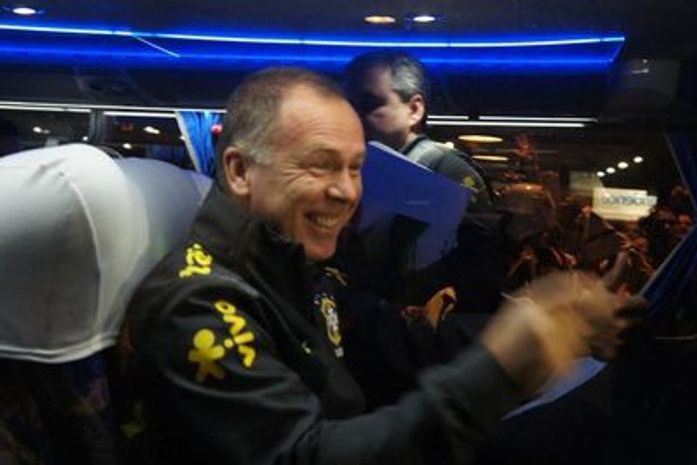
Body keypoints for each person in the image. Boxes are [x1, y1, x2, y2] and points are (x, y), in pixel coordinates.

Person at [125, 67, 640, 465]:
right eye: (321, 165)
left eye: (355, 169)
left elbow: (393, 336)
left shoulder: (292, 265)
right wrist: (498, 372)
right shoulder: (197, 303)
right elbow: (303, 455)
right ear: (239, 171)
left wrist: (550, 326)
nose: (347, 192)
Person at [344, 50, 492, 211]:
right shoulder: (354, 165)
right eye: (349, 106)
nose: (355, 115)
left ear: (414, 110)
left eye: (369, 104)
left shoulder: (448, 171)